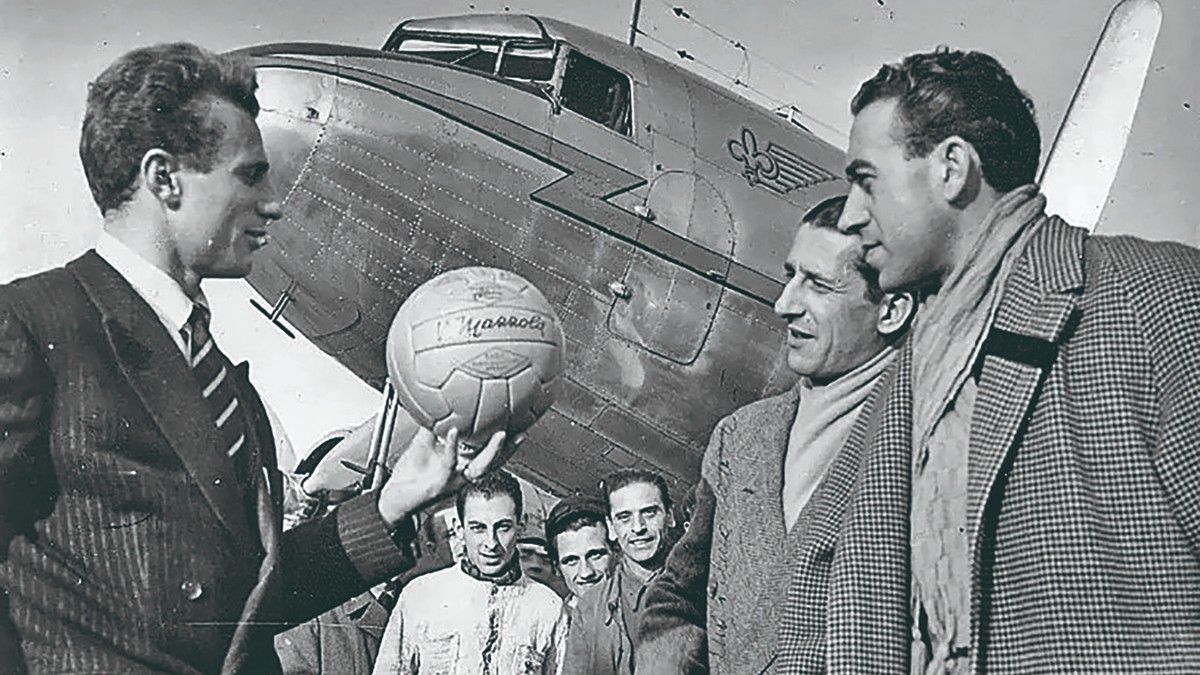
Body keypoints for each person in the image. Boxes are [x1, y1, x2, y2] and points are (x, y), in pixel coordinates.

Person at [0, 42, 513, 674]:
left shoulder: (225, 387)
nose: (273, 201)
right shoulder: (30, 326)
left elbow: (249, 605)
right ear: (164, 179)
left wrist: (395, 501)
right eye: (250, 175)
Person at [783, 47, 1200, 672]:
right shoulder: (912, 365)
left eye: (867, 180)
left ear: (952, 168)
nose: (849, 213)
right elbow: (827, 594)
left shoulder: (1160, 301)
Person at [636, 196, 917, 674]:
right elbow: (678, 595)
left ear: (890, 309)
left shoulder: (930, 449)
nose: (784, 304)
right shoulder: (741, 437)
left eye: (819, 286)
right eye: (791, 275)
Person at [372, 470, 562, 674]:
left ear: (521, 525)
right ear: (459, 528)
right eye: (478, 528)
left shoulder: (548, 607)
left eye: (503, 527)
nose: (491, 543)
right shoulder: (420, 595)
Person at [561, 469, 675, 675]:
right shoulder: (590, 608)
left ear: (670, 516)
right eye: (624, 517)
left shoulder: (700, 591)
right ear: (611, 528)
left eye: (649, 512)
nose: (638, 527)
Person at [545, 495, 613, 605]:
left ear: (616, 552)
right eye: (571, 560)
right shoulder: (554, 618)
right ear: (557, 568)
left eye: (595, 555)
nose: (586, 572)